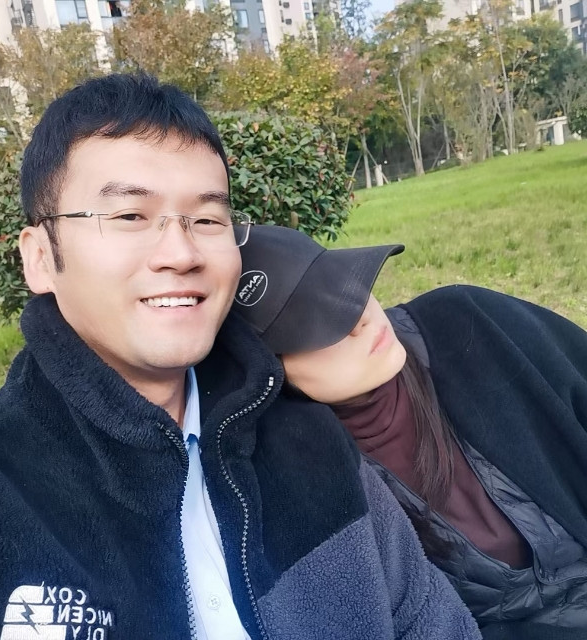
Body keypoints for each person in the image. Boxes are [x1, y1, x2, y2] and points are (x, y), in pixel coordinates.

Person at [0, 74, 480, 640]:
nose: (181, 253)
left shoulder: (311, 443)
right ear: (38, 258)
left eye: (207, 219)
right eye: (129, 216)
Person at [234, 224, 587, 640]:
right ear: (265, 373)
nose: (361, 316)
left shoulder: (471, 323)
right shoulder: (305, 484)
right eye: (320, 322)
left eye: (344, 284)